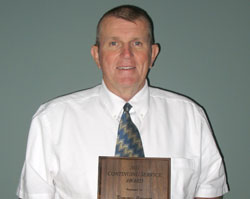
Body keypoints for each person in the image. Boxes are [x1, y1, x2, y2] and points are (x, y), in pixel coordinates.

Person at [17, 5, 229, 199]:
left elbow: (209, 191)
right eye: (114, 43)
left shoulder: (191, 117)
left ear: (152, 53)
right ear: (97, 55)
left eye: (137, 43)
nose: (126, 54)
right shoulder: (51, 121)